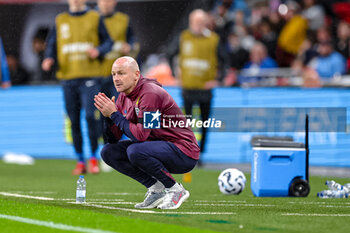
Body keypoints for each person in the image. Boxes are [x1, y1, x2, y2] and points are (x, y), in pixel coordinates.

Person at [94, 56, 199, 209]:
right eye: (113, 74)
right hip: (157, 146)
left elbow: (141, 135)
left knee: (135, 150)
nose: (116, 78)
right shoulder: (123, 97)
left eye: (121, 73)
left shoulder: (151, 94)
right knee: (108, 152)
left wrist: (115, 115)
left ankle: (175, 190)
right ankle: (156, 189)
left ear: (136, 74)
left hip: (184, 152)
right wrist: (108, 118)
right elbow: (112, 140)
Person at [42, 0, 113, 175]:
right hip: (68, 78)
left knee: (90, 116)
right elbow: (52, 44)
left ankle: (94, 158)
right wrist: (49, 58)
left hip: (90, 77)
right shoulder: (61, 20)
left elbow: (108, 42)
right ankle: (80, 159)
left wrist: (99, 50)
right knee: (73, 120)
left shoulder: (95, 17)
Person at [167, 9, 227, 164]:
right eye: (195, 22)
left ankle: (200, 152)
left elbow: (225, 60)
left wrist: (218, 78)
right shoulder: (183, 37)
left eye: (201, 22)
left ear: (205, 23)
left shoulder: (214, 39)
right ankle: (187, 150)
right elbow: (169, 53)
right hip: (188, 87)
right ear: (190, 22)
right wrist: (175, 74)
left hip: (205, 88)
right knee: (186, 121)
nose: (198, 25)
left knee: (205, 122)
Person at [96, 0, 138, 143]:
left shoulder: (123, 20)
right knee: (99, 113)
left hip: (119, 76)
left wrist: (130, 46)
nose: (106, 4)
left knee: (121, 110)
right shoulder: (92, 19)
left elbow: (133, 41)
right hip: (97, 74)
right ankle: (104, 146)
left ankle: (121, 144)